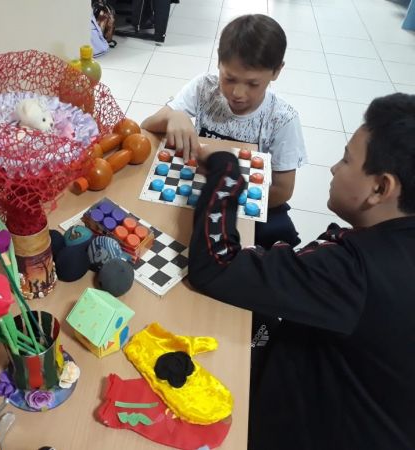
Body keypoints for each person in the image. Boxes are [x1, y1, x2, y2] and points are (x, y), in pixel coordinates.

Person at [187, 92, 415, 450]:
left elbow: (214, 266)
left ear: (380, 188)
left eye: (346, 160)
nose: (334, 168)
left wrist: (226, 171)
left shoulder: (355, 269)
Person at [141, 14, 306, 249]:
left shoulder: (282, 119)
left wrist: (225, 206)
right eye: (229, 79)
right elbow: (146, 126)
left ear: (276, 71)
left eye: (253, 84)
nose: (238, 93)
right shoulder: (203, 87)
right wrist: (173, 116)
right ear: (219, 61)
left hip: (244, 204)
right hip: (195, 190)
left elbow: (283, 190)